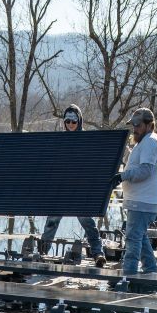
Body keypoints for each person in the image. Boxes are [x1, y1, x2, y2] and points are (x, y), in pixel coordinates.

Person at [37, 105, 106, 266]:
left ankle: (98, 253)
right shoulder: (60, 140)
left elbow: (93, 164)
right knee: (51, 222)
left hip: (79, 190)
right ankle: (42, 253)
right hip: (61, 189)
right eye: (67, 121)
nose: (70, 124)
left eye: (73, 121)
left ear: (79, 120)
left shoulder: (87, 141)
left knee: (88, 223)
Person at [116, 107, 157, 276]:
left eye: (137, 125)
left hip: (142, 202)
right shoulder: (144, 142)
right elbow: (136, 163)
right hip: (141, 201)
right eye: (133, 125)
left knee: (132, 240)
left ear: (150, 125)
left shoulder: (150, 141)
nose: (134, 129)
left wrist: (123, 176)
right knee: (141, 239)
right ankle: (151, 273)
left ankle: (127, 277)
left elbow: (145, 170)